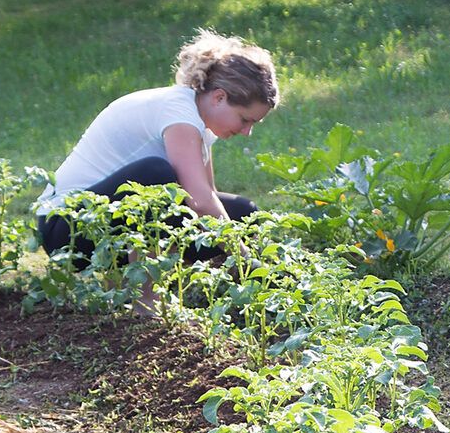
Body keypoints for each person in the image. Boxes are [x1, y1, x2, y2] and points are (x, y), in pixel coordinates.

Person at [35, 29, 278, 268]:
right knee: (157, 176)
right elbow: (200, 202)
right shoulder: (179, 114)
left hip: (108, 219)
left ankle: (196, 279)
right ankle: (145, 291)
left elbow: (208, 196)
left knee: (243, 213)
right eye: (245, 119)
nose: (247, 132)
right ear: (219, 98)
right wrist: (246, 259)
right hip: (66, 229)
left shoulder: (201, 123)